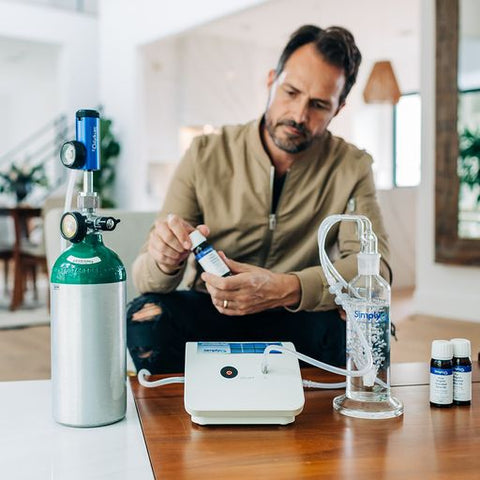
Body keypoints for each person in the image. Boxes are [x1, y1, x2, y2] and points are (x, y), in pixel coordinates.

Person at [128, 24, 392, 373]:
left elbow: (376, 268)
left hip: (297, 317)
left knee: (371, 328)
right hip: (212, 310)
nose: (299, 115)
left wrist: (287, 288)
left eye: (318, 105)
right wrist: (164, 260)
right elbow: (146, 278)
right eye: (291, 92)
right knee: (147, 315)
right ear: (271, 81)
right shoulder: (205, 153)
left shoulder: (352, 166)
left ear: (338, 109)